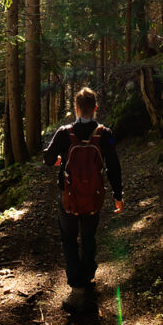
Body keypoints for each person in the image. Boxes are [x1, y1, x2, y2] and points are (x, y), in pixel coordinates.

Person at [42, 86, 123, 312]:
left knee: (69, 240)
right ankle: (86, 279)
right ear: (95, 108)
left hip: (68, 197)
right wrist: (118, 195)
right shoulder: (104, 134)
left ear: (76, 108)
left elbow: (48, 158)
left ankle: (77, 289)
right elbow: (114, 166)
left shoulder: (64, 132)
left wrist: (59, 160)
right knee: (88, 237)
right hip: (94, 198)